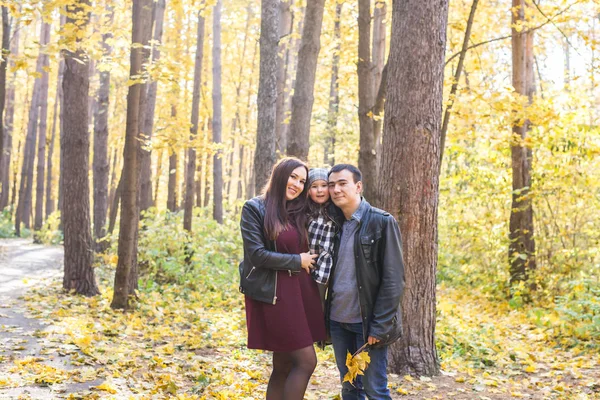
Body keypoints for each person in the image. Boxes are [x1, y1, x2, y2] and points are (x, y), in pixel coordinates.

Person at [239, 157, 326, 400]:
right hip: (276, 295)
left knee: (283, 366)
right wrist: (297, 261)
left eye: (302, 181)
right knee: (307, 362)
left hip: (301, 292)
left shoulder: (299, 209)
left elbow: (325, 200)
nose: (297, 185)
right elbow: (256, 255)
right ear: (279, 176)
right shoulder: (254, 208)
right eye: (293, 177)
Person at [326, 164, 405, 400]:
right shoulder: (334, 224)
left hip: (368, 325)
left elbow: (394, 280)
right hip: (338, 322)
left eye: (342, 183)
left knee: (375, 390)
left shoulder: (382, 221)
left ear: (358, 186)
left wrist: (379, 326)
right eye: (332, 185)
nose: (336, 189)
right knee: (350, 387)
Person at [306, 168, 338, 307]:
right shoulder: (304, 211)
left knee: (328, 306)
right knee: (311, 304)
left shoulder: (337, 210)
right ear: (308, 190)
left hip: (329, 267)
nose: (320, 190)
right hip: (307, 265)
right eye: (314, 186)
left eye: (324, 185)